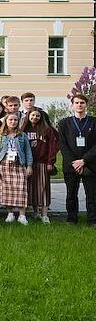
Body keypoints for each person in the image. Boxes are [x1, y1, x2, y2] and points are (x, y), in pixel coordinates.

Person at [56, 95, 96, 226]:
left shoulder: (93, 122)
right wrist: (74, 162)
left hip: (90, 164)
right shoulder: (64, 123)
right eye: (77, 103)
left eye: (82, 103)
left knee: (92, 194)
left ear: (86, 105)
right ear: (72, 105)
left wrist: (84, 160)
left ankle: (92, 220)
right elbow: (62, 144)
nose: (79, 105)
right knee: (71, 194)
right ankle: (72, 218)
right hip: (70, 165)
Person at [0, 112, 33, 224]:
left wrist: (29, 166)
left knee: (21, 190)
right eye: (10, 120)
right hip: (4, 165)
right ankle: (10, 213)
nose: (13, 122)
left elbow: (28, 151)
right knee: (7, 190)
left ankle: (22, 215)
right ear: (6, 121)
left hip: (19, 164)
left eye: (15, 120)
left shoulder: (22, 136)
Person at [20, 108, 58, 223]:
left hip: (42, 163)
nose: (35, 117)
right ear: (28, 116)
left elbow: (53, 147)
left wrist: (50, 162)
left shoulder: (47, 130)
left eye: (37, 116)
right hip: (28, 164)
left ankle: (45, 214)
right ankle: (35, 212)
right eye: (32, 115)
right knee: (31, 189)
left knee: (43, 188)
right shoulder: (23, 130)